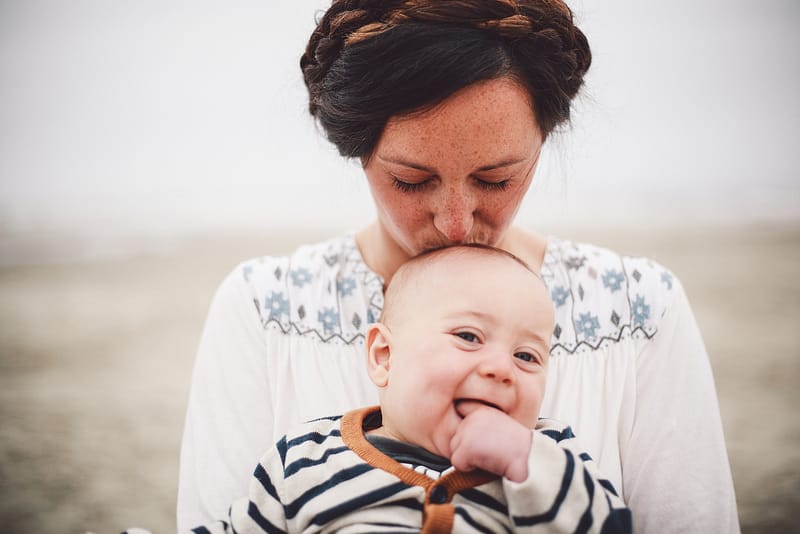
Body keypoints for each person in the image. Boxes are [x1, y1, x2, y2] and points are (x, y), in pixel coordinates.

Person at [178, 1, 740, 532]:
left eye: (495, 180)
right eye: (412, 180)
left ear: (543, 142)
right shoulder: (264, 309)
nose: (455, 223)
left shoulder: (637, 308)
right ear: (359, 150)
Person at [186, 245, 632, 533]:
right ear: (384, 356)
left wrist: (523, 459)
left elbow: (611, 527)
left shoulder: (551, 455)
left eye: (527, 356)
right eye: (469, 337)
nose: (502, 369)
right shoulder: (306, 459)